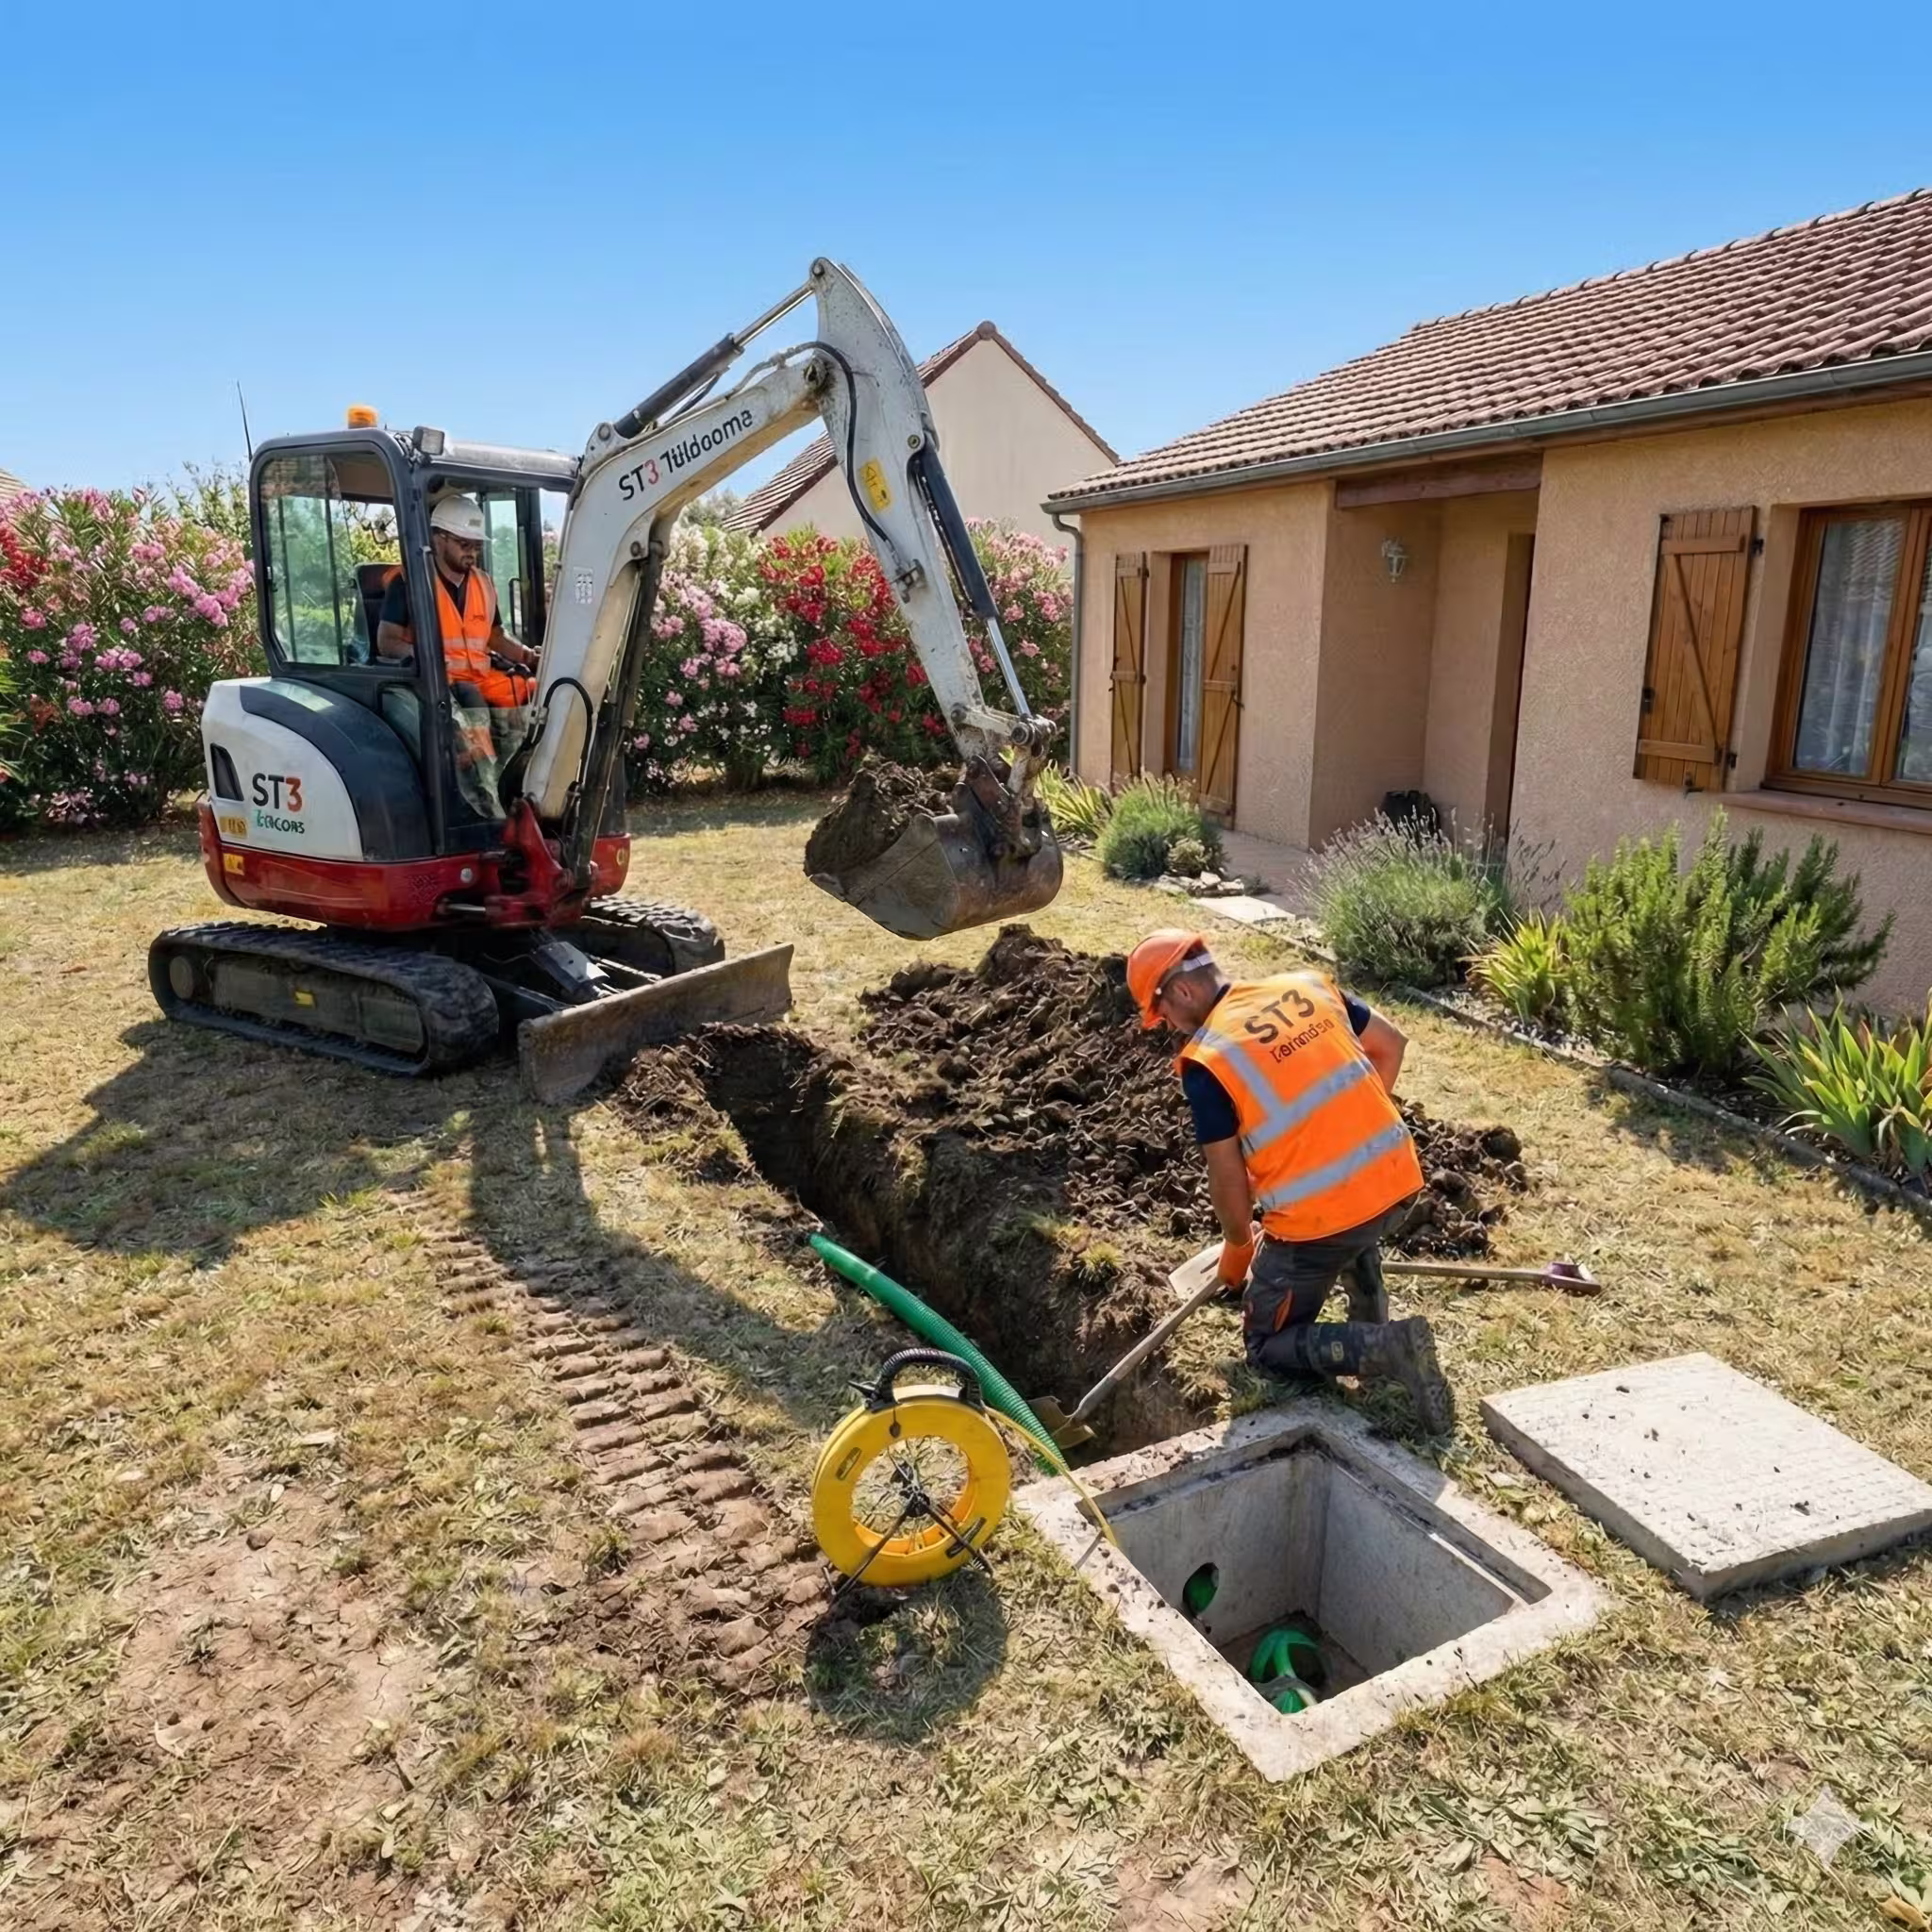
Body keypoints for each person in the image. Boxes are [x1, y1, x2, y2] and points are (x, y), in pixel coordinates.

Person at [1127, 928, 1454, 1434]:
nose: (1168, 1025)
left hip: (1322, 1222)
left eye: (1162, 1012)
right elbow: (1391, 1045)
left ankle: (1384, 1348)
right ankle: (1372, 1315)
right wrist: (1346, 1130)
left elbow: (1228, 1176)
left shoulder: (1208, 1060)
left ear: (1182, 992)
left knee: (1265, 1343)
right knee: (1349, 1223)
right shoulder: (1307, 986)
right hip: (1397, 1184)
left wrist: (1238, 1247)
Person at [375, 493, 537, 814]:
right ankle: (482, 805)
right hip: (434, 682)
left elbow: (495, 636)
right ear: (439, 539)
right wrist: (426, 657)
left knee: (531, 691)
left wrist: (531, 659)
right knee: (469, 700)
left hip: (479, 676)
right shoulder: (409, 582)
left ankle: (523, 787)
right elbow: (387, 641)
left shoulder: (483, 583)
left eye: (477, 545)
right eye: (465, 544)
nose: (472, 552)